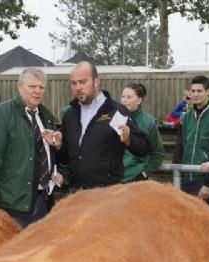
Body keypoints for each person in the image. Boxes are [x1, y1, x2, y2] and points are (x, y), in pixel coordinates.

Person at [0, 68, 63, 228]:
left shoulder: (46, 116)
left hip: (43, 201)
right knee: (10, 250)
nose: (37, 91)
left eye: (41, 87)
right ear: (19, 87)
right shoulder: (0, 115)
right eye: (32, 86)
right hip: (12, 205)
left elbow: (42, 154)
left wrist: (57, 153)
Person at [50, 61, 150, 190]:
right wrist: (59, 146)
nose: (78, 87)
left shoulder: (116, 111)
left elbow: (143, 148)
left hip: (106, 194)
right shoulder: (70, 115)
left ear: (96, 82)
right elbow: (65, 159)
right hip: (77, 193)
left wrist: (128, 139)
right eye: (74, 83)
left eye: (82, 82)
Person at [173, 75, 209, 209]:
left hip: (203, 182)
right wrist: (176, 177)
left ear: (208, 92)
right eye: (193, 91)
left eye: (199, 91)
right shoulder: (185, 119)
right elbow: (179, 148)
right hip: (184, 180)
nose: (195, 94)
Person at [120, 83, 165, 182]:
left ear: (139, 100)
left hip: (135, 178)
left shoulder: (149, 122)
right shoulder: (113, 118)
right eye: (123, 96)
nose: (124, 100)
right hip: (113, 178)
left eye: (129, 97)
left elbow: (158, 153)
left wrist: (145, 173)